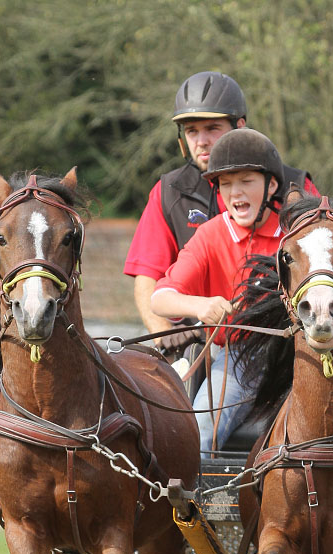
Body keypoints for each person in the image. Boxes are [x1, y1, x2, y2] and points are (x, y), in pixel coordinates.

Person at [123, 70, 318, 347]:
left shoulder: (295, 185)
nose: (201, 140)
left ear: (240, 126)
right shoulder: (169, 191)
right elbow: (148, 277)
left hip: (288, 341)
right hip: (198, 341)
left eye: (212, 128)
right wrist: (164, 332)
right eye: (191, 131)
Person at [150, 127, 288, 452]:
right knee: (198, 431)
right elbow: (160, 299)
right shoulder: (211, 234)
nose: (235, 192)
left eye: (246, 181)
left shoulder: (294, 234)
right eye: (226, 184)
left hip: (299, 354)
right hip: (239, 358)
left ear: (271, 185)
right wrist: (200, 306)